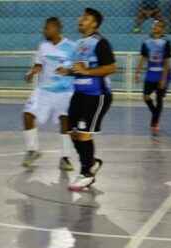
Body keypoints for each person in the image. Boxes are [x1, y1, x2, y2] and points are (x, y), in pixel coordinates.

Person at [57, 8, 117, 191]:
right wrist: (67, 71)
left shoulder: (100, 43)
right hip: (79, 94)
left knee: (83, 133)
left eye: (86, 18)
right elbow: (79, 68)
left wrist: (87, 72)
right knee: (71, 131)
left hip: (96, 95)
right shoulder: (79, 44)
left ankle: (86, 174)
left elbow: (111, 68)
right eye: (81, 17)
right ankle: (91, 162)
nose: (81, 20)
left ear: (95, 24)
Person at [21, 17, 77, 171]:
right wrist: (32, 72)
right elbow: (39, 65)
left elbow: (77, 68)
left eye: (47, 28)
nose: (44, 31)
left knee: (65, 121)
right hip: (44, 90)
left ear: (56, 28)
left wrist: (69, 71)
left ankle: (65, 157)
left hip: (64, 91)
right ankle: (32, 150)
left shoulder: (72, 47)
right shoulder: (43, 46)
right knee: (27, 114)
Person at [135, 21, 171, 136]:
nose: (155, 27)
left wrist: (163, 79)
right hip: (151, 73)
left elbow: (167, 63)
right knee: (146, 97)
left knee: (159, 99)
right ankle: (155, 114)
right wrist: (137, 72)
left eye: (158, 26)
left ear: (162, 29)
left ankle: (155, 123)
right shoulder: (146, 42)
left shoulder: (166, 42)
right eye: (154, 26)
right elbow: (143, 58)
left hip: (162, 73)